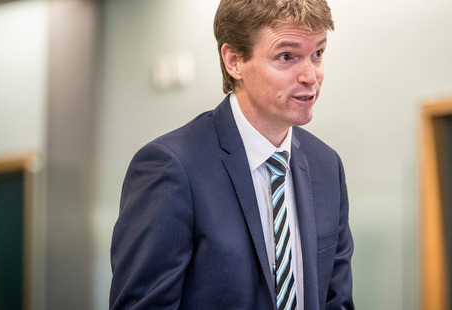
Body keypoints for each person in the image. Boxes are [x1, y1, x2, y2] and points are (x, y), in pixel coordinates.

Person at [109, 0, 354, 309]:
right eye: (287, 56)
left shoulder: (326, 165)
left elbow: (338, 300)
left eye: (317, 54)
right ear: (234, 60)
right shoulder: (171, 167)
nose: (310, 75)